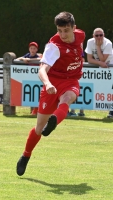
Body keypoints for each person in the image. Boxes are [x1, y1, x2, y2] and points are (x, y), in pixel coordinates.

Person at [16, 11, 85, 176]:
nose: (62, 35)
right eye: (59, 31)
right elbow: (42, 70)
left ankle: (54, 120)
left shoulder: (81, 35)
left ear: (74, 28)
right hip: (52, 82)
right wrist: (47, 84)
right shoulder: (54, 46)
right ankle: (26, 155)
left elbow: (78, 50)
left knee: (68, 98)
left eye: (66, 31)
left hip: (71, 81)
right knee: (39, 128)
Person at [85, 28, 113, 118]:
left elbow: (103, 59)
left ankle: (111, 111)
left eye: (101, 35)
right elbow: (89, 59)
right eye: (97, 35)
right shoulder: (90, 42)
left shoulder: (108, 43)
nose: (99, 37)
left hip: (110, 67)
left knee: (110, 89)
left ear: (104, 35)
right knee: (102, 88)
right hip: (100, 67)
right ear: (93, 36)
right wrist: (100, 63)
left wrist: (98, 46)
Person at [17, 42, 42, 115]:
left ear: (37, 49)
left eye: (34, 48)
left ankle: (37, 110)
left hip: (38, 78)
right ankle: (33, 111)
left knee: (38, 94)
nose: (32, 50)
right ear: (29, 49)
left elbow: (40, 58)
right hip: (29, 79)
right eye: (31, 48)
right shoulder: (27, 55)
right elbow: (17, 59)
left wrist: (30, 60)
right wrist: (23, 58)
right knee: (31, 94)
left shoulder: (38, 56)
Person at [68, 51, 86, 117]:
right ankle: (72, 111)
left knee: (81, 92)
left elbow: (83, 59)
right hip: (72, 74)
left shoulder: (79, 50)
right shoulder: (69, 49)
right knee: (72, 92)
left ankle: (81, 112)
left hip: (80, 73)